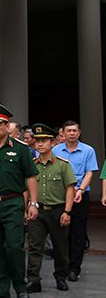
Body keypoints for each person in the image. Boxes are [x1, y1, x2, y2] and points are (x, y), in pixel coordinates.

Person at [0, 103, 38, 298]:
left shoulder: (20, 149)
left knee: (14, 246)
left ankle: (20, 288)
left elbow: (31, 177)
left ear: (6, 126)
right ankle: (0, 290)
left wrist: (33, 203)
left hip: (13, 203)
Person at [27, 123, 76, 293]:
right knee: (34, 246)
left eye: (44, 141)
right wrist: (27, 208)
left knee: (60, 247)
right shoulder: (32, 164)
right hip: (38, 211)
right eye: (37, 141)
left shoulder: (63, 165)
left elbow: (70, 189)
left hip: (58, 210)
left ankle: (61, 277)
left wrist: (67, 211)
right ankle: (33, 280)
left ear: (52, 143)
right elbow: (26, 188)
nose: (40, 144)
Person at [52, 120, 98, 282]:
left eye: (74, 131)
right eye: (68, 131)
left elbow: (89, 173)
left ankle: (74, 268)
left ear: (79, 133)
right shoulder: (55, 150)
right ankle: (62, 268)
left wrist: (80, 190)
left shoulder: (88, 150)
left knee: (77, 233)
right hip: (60, 195)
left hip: (80, 194)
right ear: (62, 133)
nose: (72, 133)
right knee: (61, 233)